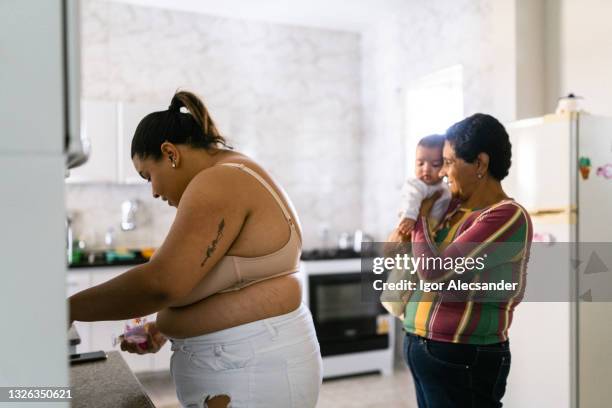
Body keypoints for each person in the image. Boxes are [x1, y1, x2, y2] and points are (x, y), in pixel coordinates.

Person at [68, 90, 322, 408]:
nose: (155, 191)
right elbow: (224, 280)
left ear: (171, 153)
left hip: (249, 371)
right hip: (248, 364)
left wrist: (67, 309)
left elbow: (160, 284)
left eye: (149, 176)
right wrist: (163, 327)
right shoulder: (233, 171)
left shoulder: (219, 182)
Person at [392, 113, 533, 407]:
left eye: (449, 161)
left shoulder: (506, 216)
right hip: (423, 346)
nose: (443, 172)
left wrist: (417, 215)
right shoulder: (451, 209)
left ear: (480, 163)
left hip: (462, 354)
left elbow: (433, 272)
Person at [396, 134, 451, 238]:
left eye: (435, 164)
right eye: (420, 163)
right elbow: (411, 199)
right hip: (409, 227)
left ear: (445, 164)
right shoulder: (415, 184)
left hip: (432, 231)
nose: (426, 169)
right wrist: (410, 216)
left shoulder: (445, 188)